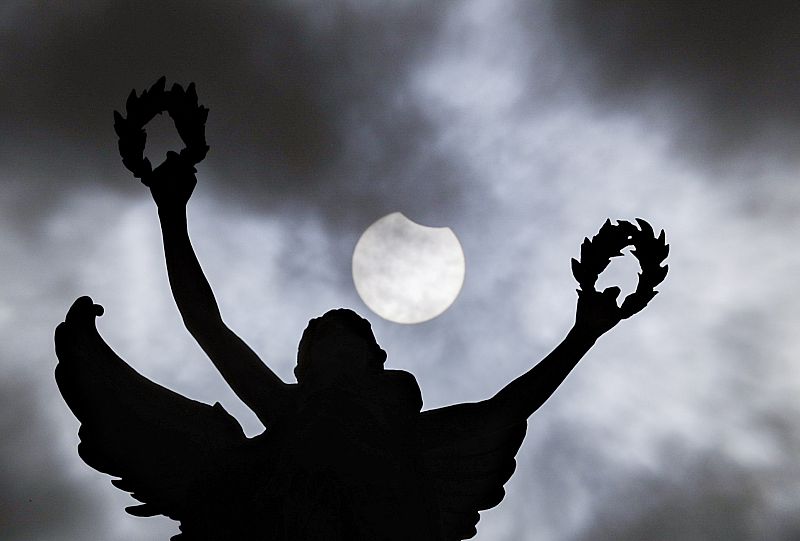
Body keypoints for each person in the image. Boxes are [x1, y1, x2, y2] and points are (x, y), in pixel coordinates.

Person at [55, 152, 658, 541]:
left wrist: (583, 334)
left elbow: (506, 409)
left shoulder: (413, 441)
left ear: (373, 361)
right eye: (315, 342)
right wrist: (170, 212)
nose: (325, 348)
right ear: (302, 367)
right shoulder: (291, 412)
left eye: (342, 339)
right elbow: (205, 323)